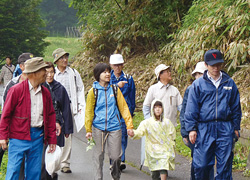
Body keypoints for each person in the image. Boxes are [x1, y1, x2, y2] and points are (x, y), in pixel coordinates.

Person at [185, 49, 242, 180]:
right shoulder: (198, 85)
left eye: (218, 64)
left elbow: (235, 107)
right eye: (213, 65)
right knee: (202, 165)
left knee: (225, 166)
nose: (216, 68)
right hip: (204, 128)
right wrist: (191, 128)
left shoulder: (229, 83)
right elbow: (191, 108)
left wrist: (236, 127)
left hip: (225, 127)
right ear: (206, 65)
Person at [0, 57, 57, 180]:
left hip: (38, 137)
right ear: (34, 73)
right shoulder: (16, 90)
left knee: (34, 173)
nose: (46, 73)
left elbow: (51, 116)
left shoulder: (46, 93)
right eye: (43, 70)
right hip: (17, 137)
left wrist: (52, 139)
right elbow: (6, 115)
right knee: (13, 172)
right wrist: (3, 136)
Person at [85, 63, 134, 180]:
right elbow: (89, 111)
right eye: (104, 72)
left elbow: (124, 108)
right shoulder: (93, 91)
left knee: (116, 157)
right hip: (98, 127)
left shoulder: (115, 89)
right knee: (98, 156)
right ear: (98, 75)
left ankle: (115, 176)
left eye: (108, 72)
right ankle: (98, 178)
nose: (108, 74)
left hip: (114, 127)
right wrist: (88, 129)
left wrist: (129, 125)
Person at [53, 48, 85, 173]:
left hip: (69, 107)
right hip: (54, 108)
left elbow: (80, 89)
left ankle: (65, 163)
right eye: (61, 58)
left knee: (67, 134)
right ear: (56, 60)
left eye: (66, 57)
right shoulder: (52, 73)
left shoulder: (73, 73)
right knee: (54, 134)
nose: (65, 60)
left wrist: (80, 105)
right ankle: (54, 161)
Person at [41, 62, 74, 180]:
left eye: (51, 72)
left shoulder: (60, 88)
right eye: (47, 72)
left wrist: (68, 129)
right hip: (42, 128)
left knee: (54, 158)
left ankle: (52, 175)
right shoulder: (40, 87)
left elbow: (66, 109)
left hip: (57, 127)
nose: (49, 75)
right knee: (42, 159)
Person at [130, 99, 176, 180]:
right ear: (152, 109)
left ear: (163, 109)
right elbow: (140, 132)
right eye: (155, 107)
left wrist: (172, 145)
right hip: (152, 150)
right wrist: (133, 133)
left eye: (159, 107)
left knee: (163, 166)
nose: (158, 109)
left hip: (164, 149)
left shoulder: (167, 122)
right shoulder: (147, 123)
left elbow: (172, 134)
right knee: (154, 173)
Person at [179, 61, 209, 180]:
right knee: (197, 160)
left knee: (207, 161)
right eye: (197, 74)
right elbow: (184, 112)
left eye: (202, 74)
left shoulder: (211, 89)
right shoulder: (190, 89)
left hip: (207, 130)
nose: (199, 76)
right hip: (193, 131)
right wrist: (185, 132)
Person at [109, 54, 136, 170]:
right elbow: (104, 92)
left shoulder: (129, 78)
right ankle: (112, 161)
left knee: (123, 136)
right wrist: (116, 86)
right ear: (111, 65)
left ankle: (121, 159)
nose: (117, 67)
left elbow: (132, 96)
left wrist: (130, 112)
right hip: (111, 112)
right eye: (115, 65)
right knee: (112, 137)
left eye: (119, 65)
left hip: (125, 112)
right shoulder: (107, 78)